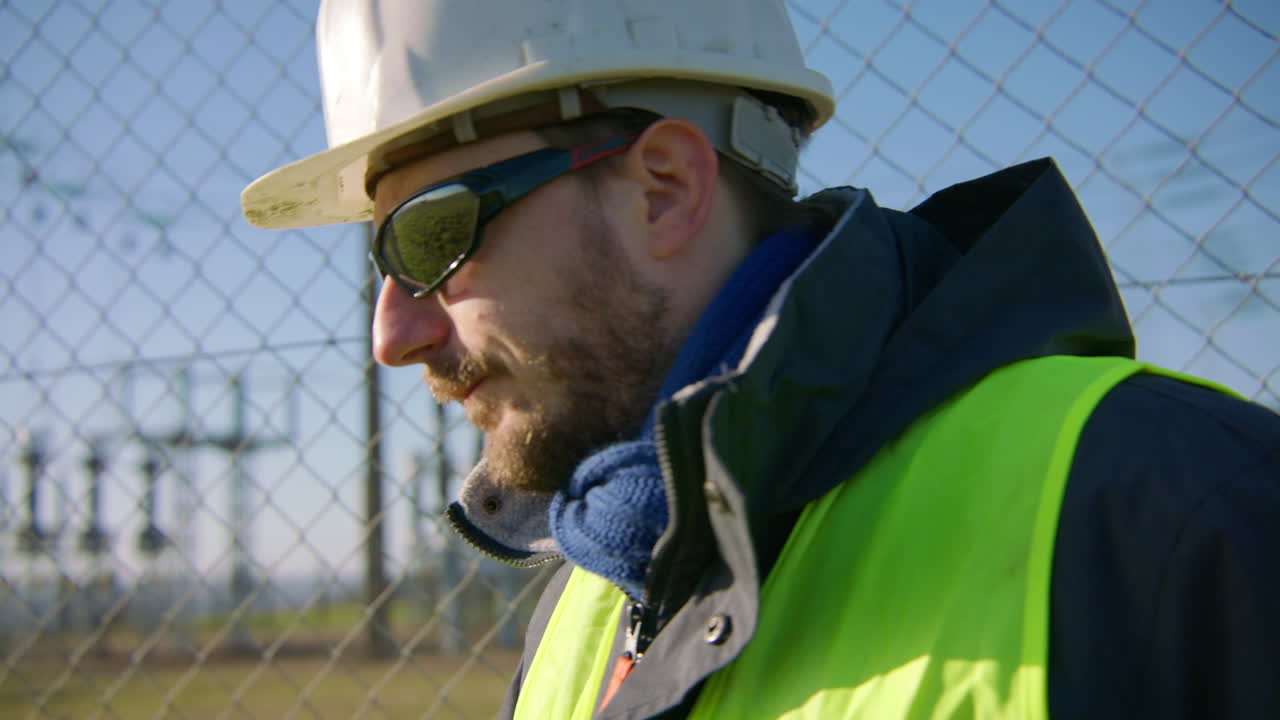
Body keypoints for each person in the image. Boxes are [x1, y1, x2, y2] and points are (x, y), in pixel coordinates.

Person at [243, 1, 1280, 717]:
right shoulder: (585, 610)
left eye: (428, 240)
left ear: (662, 187)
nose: (392, 335)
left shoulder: (1176, 520)